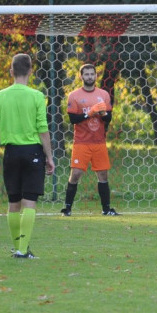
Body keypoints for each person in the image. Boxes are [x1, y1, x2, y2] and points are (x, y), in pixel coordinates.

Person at [0, 53, 55, 259]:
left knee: (13, 202)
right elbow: (43, 130)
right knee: (29, 202)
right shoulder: (36, 96)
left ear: (11, 72)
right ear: (30, 71)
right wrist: (49, 157)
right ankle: (23, 249)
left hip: (11, 153)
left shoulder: (1, 96)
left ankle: (18, 247)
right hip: (32, 151)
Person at [61, 63, 119, 216]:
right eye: (86, 74)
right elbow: (73, 119)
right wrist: (90, 113)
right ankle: (67, 209)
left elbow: (109, 118)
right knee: (76, 174)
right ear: (81, 76)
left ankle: (106, 209)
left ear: (96, 76)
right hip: (81, 142)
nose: (89, 77)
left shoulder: (104, 95)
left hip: (99, 142)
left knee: (103, 175)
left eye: (91, 74)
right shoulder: (74, 96)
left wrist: (103, 114)